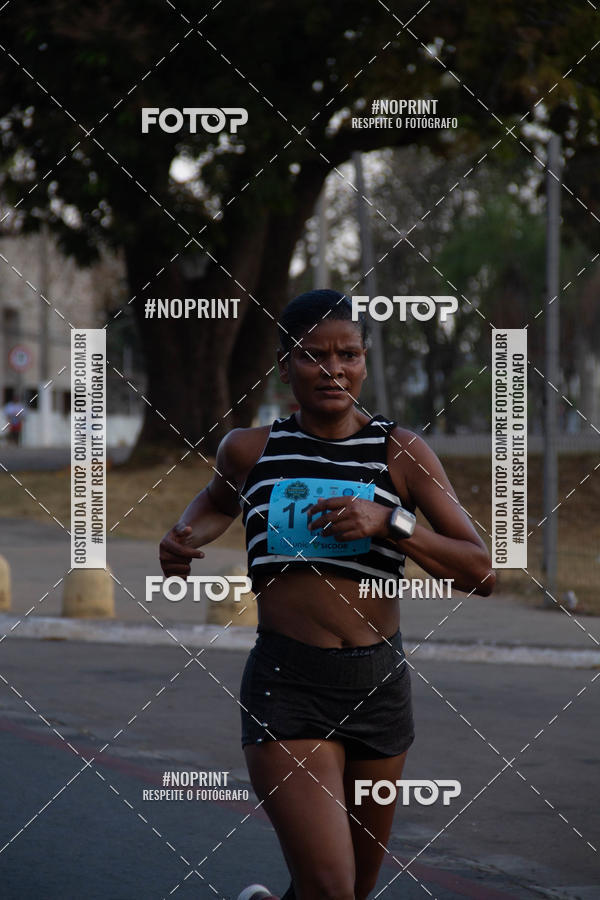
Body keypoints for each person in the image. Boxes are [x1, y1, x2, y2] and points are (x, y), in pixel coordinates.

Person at [159, 290, 495, 900]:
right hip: (289, 684)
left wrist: (390, 522)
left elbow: (481, 571)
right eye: (314, 356)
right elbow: (215, 502)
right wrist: (182, 538)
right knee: (333, 890)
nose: (333, 369)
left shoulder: (400, 452)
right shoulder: (250, 449)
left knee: (349, 891)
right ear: (284, 364)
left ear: (365, 360)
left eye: (349, 354)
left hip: (379, 686)